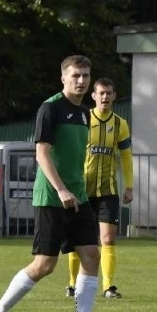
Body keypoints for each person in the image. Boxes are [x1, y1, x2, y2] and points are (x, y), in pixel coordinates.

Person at [0, 56, 105, 312]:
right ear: (63, 78)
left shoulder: (86, 114)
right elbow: (42, 153)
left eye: (86, 76)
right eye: (75, 75)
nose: (81, 81)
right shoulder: (50, 109)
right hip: (51, 198)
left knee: (91, 254)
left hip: (79, 198)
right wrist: (62, 190)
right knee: (44, 266)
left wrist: (77, 190)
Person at [66, 77, 134, 300]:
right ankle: (72, 284)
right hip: (82, 190)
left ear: (114, 96)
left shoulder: (121, 124)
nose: (105, 97)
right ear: (93, 96)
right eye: (101, 93)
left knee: (107, 239)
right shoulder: (83, 119)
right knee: (80, 240)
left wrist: (130, 186)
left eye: (109, 93)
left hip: (108, 190)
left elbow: (126, 156)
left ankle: (108, 286)